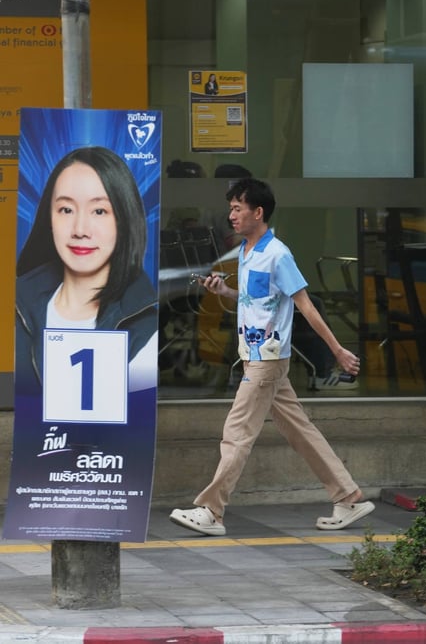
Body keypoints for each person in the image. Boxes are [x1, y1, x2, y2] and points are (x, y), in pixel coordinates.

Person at [170, 178, 371, 536]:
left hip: (267, 359)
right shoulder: (247, 252)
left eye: (237, 208)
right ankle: (348, 496)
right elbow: (255, 301)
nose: (231, 214)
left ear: (257, 212)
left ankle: (211, 511)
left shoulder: (278, 254)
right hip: (255, 356)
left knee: (237, 431)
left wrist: (337, 350)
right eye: (230, 207)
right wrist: (224, 290)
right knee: (301, 431)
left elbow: (305, 306)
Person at [15, 146, 158, 394]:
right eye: (66, 210)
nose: (80, 229)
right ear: (49, 219)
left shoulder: (145, 328)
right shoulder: (18, 303)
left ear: (123, 220)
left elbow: (134, 424)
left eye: (99, 211)